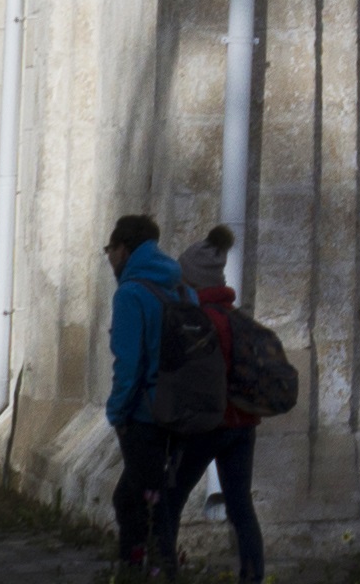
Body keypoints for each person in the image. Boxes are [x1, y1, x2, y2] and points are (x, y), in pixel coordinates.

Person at [100, 215, 201, 572]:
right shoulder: (183, 289)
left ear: (124, 248)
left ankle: (145, 571)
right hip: (180, 413)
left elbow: (128, 363)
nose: (109, 257)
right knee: (141, 500)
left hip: (143, 417)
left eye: (109, 250)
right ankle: (150, 568)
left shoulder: (130, 293)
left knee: (144, 505)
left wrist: (116, 413)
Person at [170, 224, 270, 583]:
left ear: (193, 280)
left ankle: (162, 572)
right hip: (243, 426)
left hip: (208, 426)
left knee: (170, 502)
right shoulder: (236, 317)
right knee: (242, 508)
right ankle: (253, 576)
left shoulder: (200, 321)